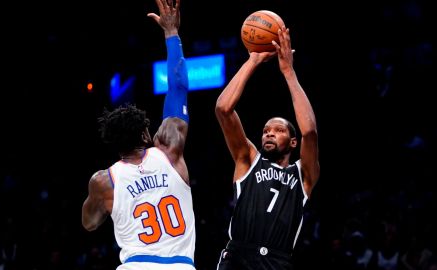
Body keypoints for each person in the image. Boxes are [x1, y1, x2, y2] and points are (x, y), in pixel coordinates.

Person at [81, 0, 196, 269]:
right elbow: (178, 87)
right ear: (146, 134)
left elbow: (89, 224)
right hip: (180, 265)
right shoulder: (169, 148)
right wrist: (172, 34)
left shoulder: (103, 181)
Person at [214, 24, 320, 270]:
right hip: (237, 257)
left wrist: (289, 73)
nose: (269, 133)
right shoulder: (248, 160)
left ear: (293, 143)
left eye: (279, 130)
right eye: (265, 130)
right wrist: (253, 60)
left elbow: (310, 132)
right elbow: (223, 109)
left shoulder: (303, 175)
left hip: (277, 261)